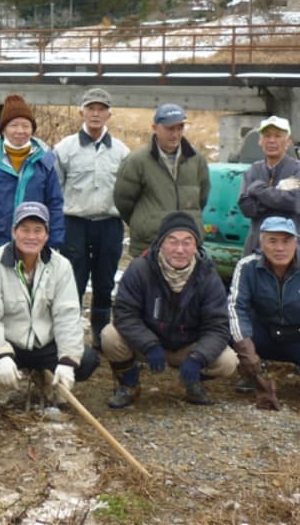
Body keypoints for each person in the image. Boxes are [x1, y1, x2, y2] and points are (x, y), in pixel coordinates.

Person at [105, 212, 238, 408]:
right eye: (172, 241)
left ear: (196, 246)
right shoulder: (140, 269)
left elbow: (217, 327)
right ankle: (129, 384)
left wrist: (198, 356)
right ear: (161, 243)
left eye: (187, 242)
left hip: (187, 346)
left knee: (228, 361)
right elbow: (125, 314)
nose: (179, 249)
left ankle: (193, 381)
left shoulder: (208, 276)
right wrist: (149, 344)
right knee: (109, 336)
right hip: (147, 343)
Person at [0, 202, 99, 405]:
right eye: (24, 230)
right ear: (14, 232)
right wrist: (0, 355)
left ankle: (46, 374)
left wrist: (67, 360)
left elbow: (67, 314)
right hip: (9, 343)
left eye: (38, 230)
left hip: (44, 344)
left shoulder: (61, 266)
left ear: (46, 235)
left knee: (86, 361)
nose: (31, 237)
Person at [53, 88, 129, 348]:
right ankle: (70, 334)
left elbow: (128, 191)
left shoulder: (121, 152)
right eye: (91, 108)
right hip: (74, 223)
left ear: (109, 114)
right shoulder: (64, 149)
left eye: (101, 109)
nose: (96, 114)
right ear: (81, 112)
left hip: (109, 224)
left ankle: (100, 334)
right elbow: (55, 188)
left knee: (105, 281)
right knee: (72, 279)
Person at [0, 94, 64, 268]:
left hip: (33, 243)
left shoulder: (44, 162)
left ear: (32, 129)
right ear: (3, 129)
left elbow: (55, 204)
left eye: (25, 125)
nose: (20, 131)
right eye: (13, 125)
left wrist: (54, 243)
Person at [114, 103, 210, 257]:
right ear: (154, 128)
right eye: (169, 128)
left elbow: (202, 198)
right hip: (150, 244)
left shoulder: (196, 159)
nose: (175, 134)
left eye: (180, 128)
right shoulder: (137, 161)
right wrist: (146, 222)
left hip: (186, 247)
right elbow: (123, 201)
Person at [228, 216, 300, 410]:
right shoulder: (247, 266)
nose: (280, 248)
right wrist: (245, 350)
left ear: (296, 242)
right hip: (263, 332)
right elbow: (236, 308)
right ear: (261, 243)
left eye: (286, 241)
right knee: (228, 330)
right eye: (272, 240)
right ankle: (251, 374)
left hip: (297, 334)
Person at [238, 115, 300, 255]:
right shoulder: (254, 170)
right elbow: (246, 207)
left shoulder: (297, 170)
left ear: (288, 141)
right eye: (267, 136)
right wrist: (278, 197)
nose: (272, 140)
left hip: (290, 253)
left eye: (278, 136)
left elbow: (295, 202)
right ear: (260, 141)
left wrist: (259, 191)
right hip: (256, 248)